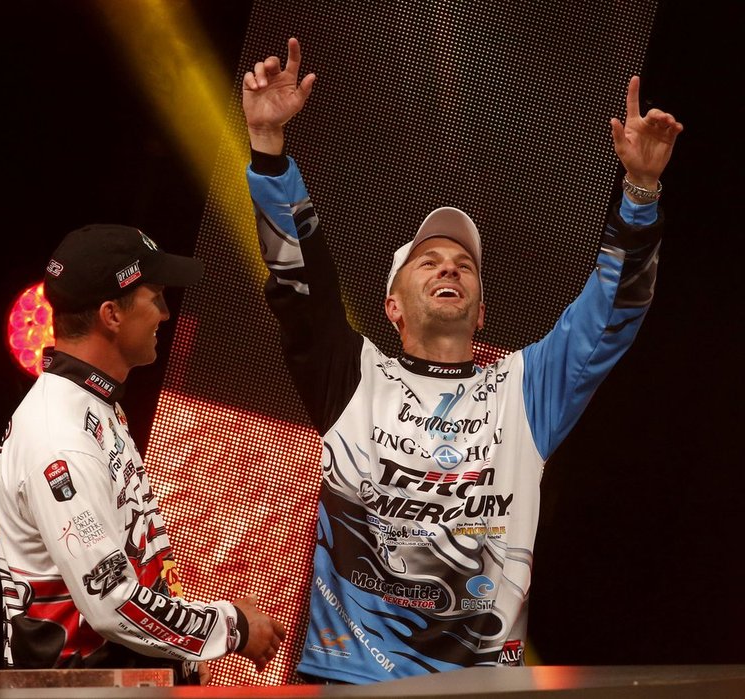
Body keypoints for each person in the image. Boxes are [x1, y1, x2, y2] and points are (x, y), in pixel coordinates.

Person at [241, 37, 682, 684]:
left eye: (464, 264)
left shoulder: (523, 391)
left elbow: (609, 315)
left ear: (480, 312)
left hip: (477, 686)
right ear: (392, 306)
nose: (449, 265)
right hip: (345, 681)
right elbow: (297, 285)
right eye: (429, 260)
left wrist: (640, 189)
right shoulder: (356, 379)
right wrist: (269, 152)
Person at [0, 224, 286, 685]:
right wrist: (230, 626)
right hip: (76, 692)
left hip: (114, 685)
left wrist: (181, 659)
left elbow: (135, 560)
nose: (166, 314)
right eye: (156, 298)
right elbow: (113, 602)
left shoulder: (93, 406)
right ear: (111, 314)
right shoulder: (59, 438)